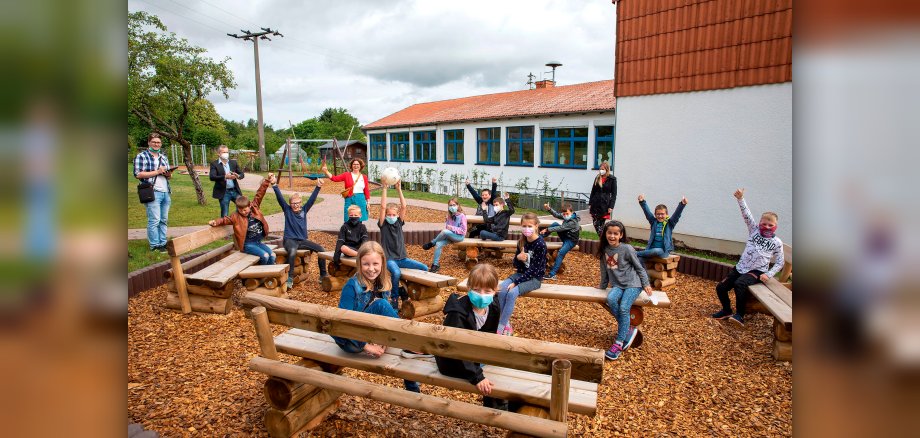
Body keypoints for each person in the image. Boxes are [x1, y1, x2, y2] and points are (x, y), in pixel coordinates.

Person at [332, 241, 421, 393]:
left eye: (375, 264)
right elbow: (340, 324)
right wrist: (365, 345)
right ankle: (412, 342)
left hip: (368, 333)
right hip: (350, 340)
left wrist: (383, 340)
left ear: (382, 263)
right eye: (366, 264)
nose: (371, 269)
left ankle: (413, 388)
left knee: (401, 346)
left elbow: (383, 320)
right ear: (359, 263)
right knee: (382, 307)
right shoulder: (352, 285)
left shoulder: (382, 282)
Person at [436, 263, 516, 411]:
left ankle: (500, 403)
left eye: (487, 291)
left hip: (473, 355)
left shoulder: (493, 306)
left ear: (495, 291)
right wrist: (477, 377)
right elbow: (456, 349)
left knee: (509, 365)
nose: (482, 295)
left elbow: (489, 337)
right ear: (468, 288)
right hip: (452, 360)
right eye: (477, 290)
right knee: (497, 373)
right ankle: (495, 404)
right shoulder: (457, 314)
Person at [711, 189, 785, 327]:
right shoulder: (754, 230)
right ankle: (726, 310)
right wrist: (740, 199)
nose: (766, 227)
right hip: (741, 267)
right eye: (764, 224)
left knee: (740, 284)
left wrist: (768, 274)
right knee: (721, 287)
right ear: (759, 223)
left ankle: (740, 315)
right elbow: (747, 215)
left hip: (757, 271)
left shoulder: (777, 243)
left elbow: (780, 262)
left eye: (770, 225)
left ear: (775, 226)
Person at [597, 220, 652, 360]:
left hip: (634, 283)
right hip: (618, 284)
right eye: (610, 233)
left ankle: (618, 344)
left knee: (623, 307)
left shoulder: (627, 249)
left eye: (616, 233)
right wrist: (602, 286)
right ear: (605, 234)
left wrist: (646, 283)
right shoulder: (604, 250)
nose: (612, 236)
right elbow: (604, 269)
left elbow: (639, 267)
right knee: (610, 299)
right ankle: (627, 327)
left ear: (621, 235)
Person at [378, 182, 429, 309]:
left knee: (424, 268)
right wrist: (384, 188)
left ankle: (407, 291)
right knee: (396, 273)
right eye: (389, 214)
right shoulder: (383, 225)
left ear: (397, 215)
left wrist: (399, 189)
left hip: (402, 258)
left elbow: (404, 206)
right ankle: (394, 299)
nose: (391, 216)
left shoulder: (399, 223)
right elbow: (383, 207)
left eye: (393, 215)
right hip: (389, 259)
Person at [272, 175, 327, 288]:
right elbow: (279, 198)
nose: (296, 205)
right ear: (290, 204)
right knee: (292, 251)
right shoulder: (287, 210)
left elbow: (312, 199)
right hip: (289, 240)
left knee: (321, 250)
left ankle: (323, 274)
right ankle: (290, 277)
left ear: (301, 203)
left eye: (298, 203)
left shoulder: (304, 210)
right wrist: (274, 185)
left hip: (302, 241)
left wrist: (318, 187)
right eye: (293, 203)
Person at [207, 174, 276, 265]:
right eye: (240, 210)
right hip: (247, 244)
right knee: (265, 256)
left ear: (249, 206)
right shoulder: (235, 217)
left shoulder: (254, 207)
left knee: (273, 255)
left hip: (258, 242)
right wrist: (215, 222)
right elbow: (225, 220)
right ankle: (263, 275)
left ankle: (269, 275)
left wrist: (267, 181)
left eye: (245, 209)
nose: (243, 212)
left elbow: (260, 193)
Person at [495, 213, 546, 336]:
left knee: (512, 293)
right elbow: (515, 264)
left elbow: (534, 271)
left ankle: (500, 327)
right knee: (501, 290)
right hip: (521, 274)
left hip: (534, 279)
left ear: (536, 226)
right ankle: (505, 323)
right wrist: (519, 257)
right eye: (524, 226)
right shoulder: (521, 242)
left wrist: (515, 283)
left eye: (530, 226)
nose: (527, 229)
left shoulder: (540, 244)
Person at [133, 132, 173, 252]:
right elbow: (138, 174)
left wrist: (168, 174)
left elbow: (168, 176)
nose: (156, 144)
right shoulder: (142, 156)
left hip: (165, 191)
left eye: (159, 142)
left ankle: (163, 242)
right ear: (149, 142)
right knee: (154, 219)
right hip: (152, 190)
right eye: (154, 142)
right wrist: (157, 171)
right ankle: (154, 245)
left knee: (164, 219)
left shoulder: (163, 157)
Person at [635, 194, 688, 266]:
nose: (660, 216)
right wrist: (642, 202)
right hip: (651, 250)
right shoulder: (653, 222)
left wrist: (682, 204)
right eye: (658, 214)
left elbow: (677, 214)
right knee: (639, 260)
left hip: (663, 251)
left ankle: (634, 253)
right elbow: (647, 212)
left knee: (656, 251)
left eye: (662, 214)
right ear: (655, 214)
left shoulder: (670, 223)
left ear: (666, 214)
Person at [421, 198, 467, 273]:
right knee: (438, 244)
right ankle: (435, 265)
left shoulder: (462, 216)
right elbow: (447, 229)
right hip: (450, 236)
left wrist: (451, 228)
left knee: (444, 231)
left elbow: (463, 231)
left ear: (458, 205)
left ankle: (432, 243)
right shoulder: (449, 215)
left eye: (454, 205)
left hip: (459, 237)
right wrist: (448, 224)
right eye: (450, 205)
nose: (452, 207)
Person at [541, 202, 581, 280]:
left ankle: (552, 274)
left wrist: (547, 229)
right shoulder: (566, 216)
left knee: (560, 253)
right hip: (565, 236)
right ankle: (540, 237)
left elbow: (560, 228)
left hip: (571, 241)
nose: (565, 215)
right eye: (564, 214)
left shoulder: (573, 221)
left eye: (567, 213)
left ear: (571, 212)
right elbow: (556, 215)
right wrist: (549, 209)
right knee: (555, 223)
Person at [322, 158, 370, 222]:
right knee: (348, 217)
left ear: (360, 165)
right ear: (351, 166)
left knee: (359, 218)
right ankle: (347, 231)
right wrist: (326, 171)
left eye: (357, 164)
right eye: (354, 164)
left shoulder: (364, 177)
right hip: (349, 198)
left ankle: (358, 231)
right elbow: (335, 178)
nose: (356, 166)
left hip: (360, 199)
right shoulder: (346, 175)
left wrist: (368, 202)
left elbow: (366, 190)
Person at [209, 145, 245, 218]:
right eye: (224, 152)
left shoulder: (233, 163)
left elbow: (242, 174)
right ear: (219, 154)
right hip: (224, 192)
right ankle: (224, 227)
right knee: (225, 213)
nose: (226, 154)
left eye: (227, 152)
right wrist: (225, 177)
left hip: (235, 190)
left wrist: (238, 176)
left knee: (243, 206)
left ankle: (239, 222)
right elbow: (212, 177)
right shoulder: (214, 164)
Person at [588, 162, 617, 236]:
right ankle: (603, 238)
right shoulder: (597, 177)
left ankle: (602, 239)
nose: (601, 170)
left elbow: (614, 194)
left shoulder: (612, 179)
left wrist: (611, 206)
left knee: (601, 224)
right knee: (595, 223)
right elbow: (593, 191)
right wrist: (590, 203)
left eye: (603, 169)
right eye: (600, 169)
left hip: (604, 204)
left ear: (606, 169)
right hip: (595, 203)